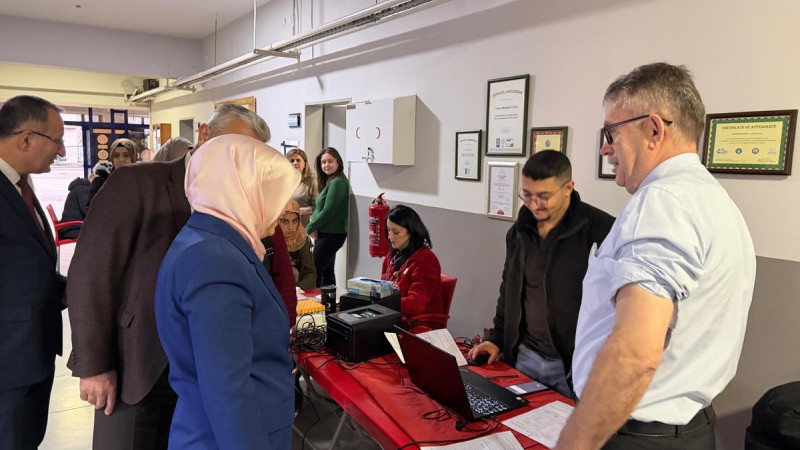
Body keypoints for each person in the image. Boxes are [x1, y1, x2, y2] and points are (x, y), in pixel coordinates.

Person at [65, 103, 297, 450]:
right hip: (140, 363)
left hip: (197, 370)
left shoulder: (245, 212)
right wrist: (94, 364)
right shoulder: (137, 182)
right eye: (233, 147)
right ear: (205, 135)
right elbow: (90, 271)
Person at [554, 63, 756, 450]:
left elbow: (635, 352)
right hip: (688, 432)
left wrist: (574, 443)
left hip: (637, 435)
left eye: (612, 132)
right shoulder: (717, 203)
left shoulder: (662, 203)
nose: (605, 148)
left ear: (653, 130)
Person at [155, 134, 299, 449]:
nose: (280, 207)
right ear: (241, 190)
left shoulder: (205, 239)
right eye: (270, 193)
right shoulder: (216, 260)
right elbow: (227, 390)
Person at [468, 150, 614, 399]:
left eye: (543, 197)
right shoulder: (519, 232)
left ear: (568, 188)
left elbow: (615, 308)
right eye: (527, 195)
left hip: (573, 366)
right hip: (524, 356)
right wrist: (499, 339)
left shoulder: (603, 231)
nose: (533, 205)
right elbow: (509, 290)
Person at [0, 95, 67, 449]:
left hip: (32, 352)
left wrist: (75, 289)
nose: (60, 153)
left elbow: (26, 267)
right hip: (7, 362)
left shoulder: (21, 187)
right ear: (25, 139)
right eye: (56, 141)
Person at [380, 205, 445, 328]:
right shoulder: (391, 257)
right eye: (388, 230)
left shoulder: (426, 260)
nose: (390, 237)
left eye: (396, 232)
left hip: (420, 323)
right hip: (396, 316)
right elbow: (384, 289)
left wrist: (384, 302)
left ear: (411, 231)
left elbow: (416, 304)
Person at [306, 147, 349, 287]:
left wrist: (310, 227)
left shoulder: (338, 182)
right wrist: (315, 226)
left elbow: (329, 211)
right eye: (323, 162)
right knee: (327, 273)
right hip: (327, 233)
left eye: (330, 161)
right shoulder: (331, 181)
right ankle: (327, 306)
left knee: (314, 273)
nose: (326, 165)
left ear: (338, 162)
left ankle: (313, 306)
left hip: (331, 235)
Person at [279, 200, 316, 290]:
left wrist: (298, 289)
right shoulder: (268, 242)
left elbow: (310, 273)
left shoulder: (302, 240)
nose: (290, 227)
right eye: (285, 221)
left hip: (299, 293)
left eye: (295, 221)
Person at [88, 138, 138, 204]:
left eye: (126, 155)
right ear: (112, 158)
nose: (121, 159)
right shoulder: (101, 181)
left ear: (133, 157)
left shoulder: (141, 180)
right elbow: (92, 209)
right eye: (116, 155)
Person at [286, 148, 317, 226]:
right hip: (284, 226)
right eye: (292, 161)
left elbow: (317, 206)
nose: (295, 163)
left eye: (298, 160)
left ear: (304, 163)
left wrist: (299, 211)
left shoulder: (312, 181)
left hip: (302, 226)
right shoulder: (283, 181)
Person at [59, 174, 91, 240]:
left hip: (70, 227)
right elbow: (87, 210)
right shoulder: (82, 189)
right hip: (72, 230)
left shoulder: (79, 187)